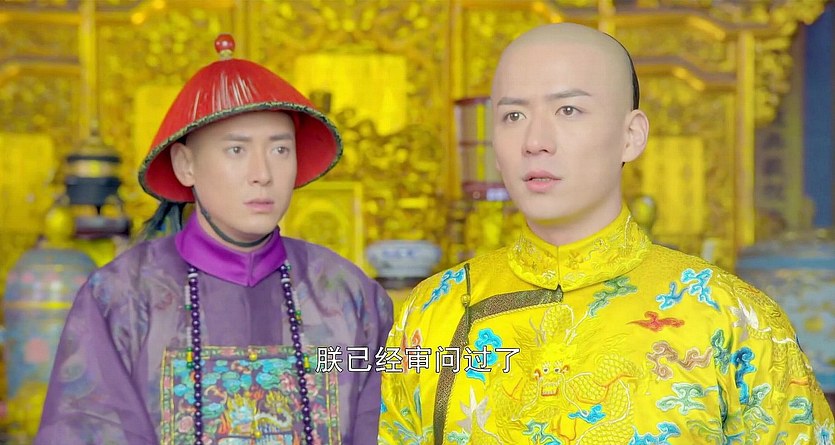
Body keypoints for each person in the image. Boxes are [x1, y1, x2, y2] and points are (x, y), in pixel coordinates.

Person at [378, 23, 834, 445]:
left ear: (631, 135)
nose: (535, 141)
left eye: (568, 110)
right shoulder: (432, 312)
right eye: (513, 116)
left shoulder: (733, 318)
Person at [36, 34, 393, 445]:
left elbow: (388, 426)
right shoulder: (121, 299)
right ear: (185, 164)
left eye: (280, 150)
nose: (262, 174)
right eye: (236, 150)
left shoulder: (348, 295)